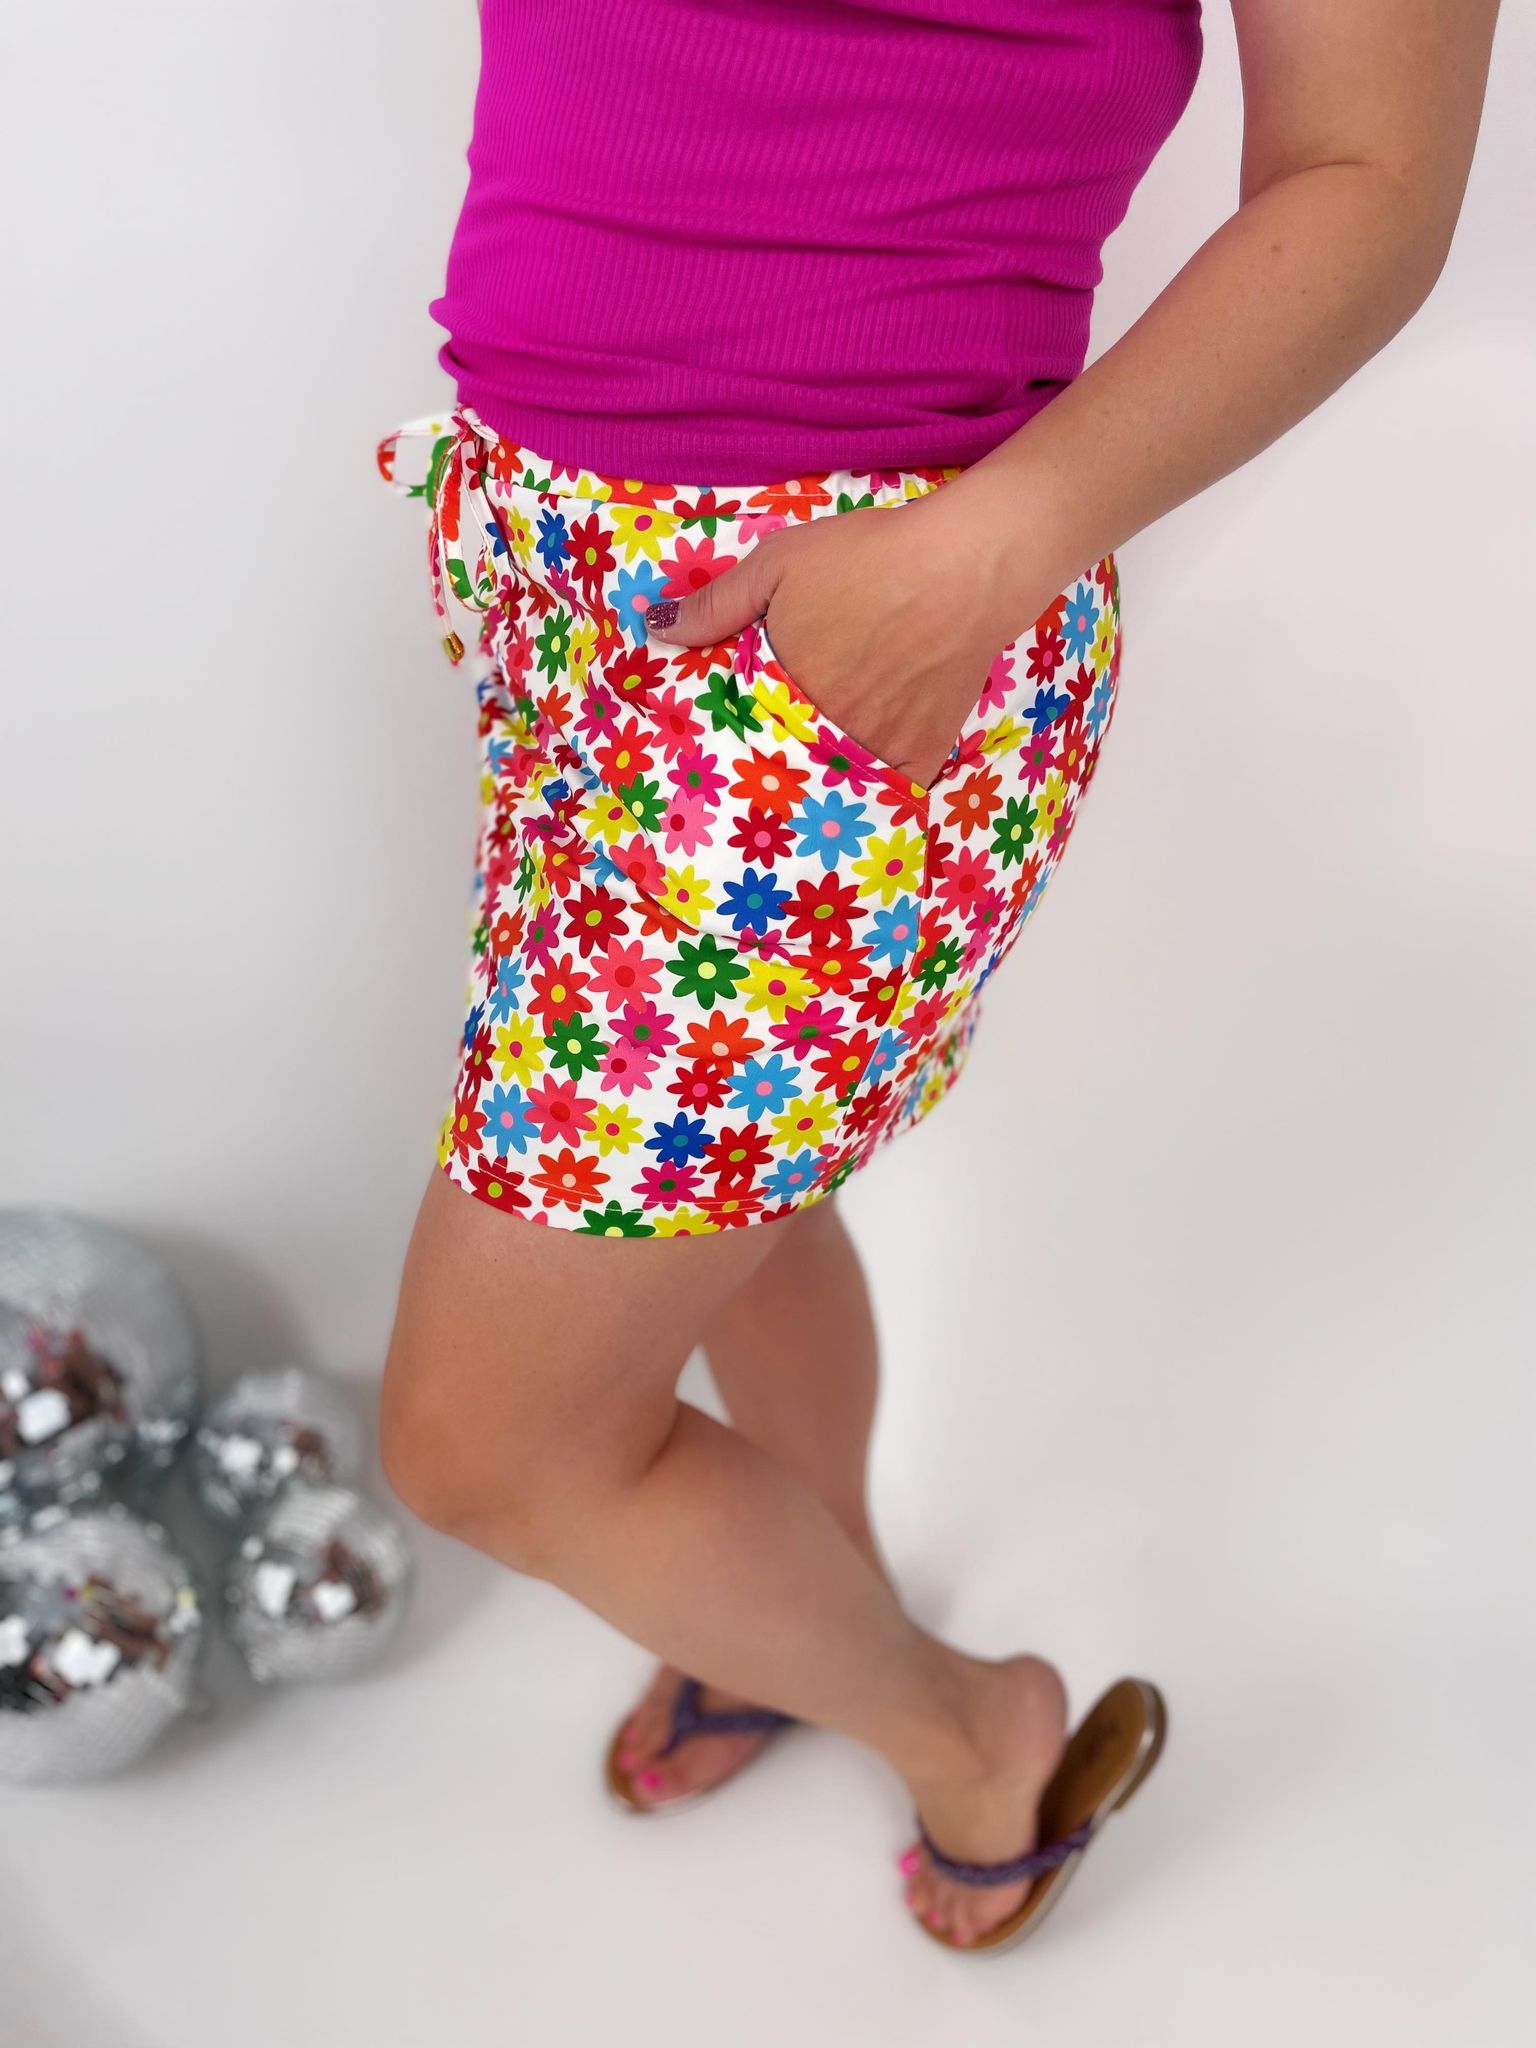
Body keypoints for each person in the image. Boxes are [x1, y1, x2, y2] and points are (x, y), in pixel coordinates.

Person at [377, 0, 1501, 1951]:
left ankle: (973, 1729)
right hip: (557, 559)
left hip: (838, 622)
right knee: (734, 1210)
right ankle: (793, 1595)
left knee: (488, 1447)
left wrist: (994, 548)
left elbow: (1372, 178)